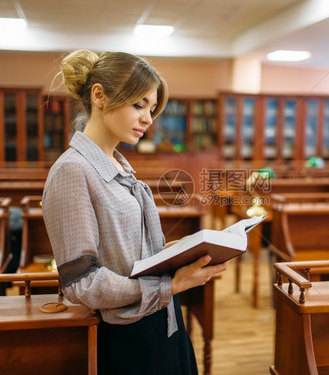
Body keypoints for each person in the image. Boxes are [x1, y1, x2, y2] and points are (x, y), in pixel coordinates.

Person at [42, 49, 227, 375]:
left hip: (163, 319)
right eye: (138, 104)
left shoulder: (118, 164)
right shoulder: (72, 171)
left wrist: (177, 252)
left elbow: (125, 254)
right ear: (99, 96)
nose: (148, 118)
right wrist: (171, 285)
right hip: (126, 335)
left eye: (152, 108)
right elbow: (82, 284)